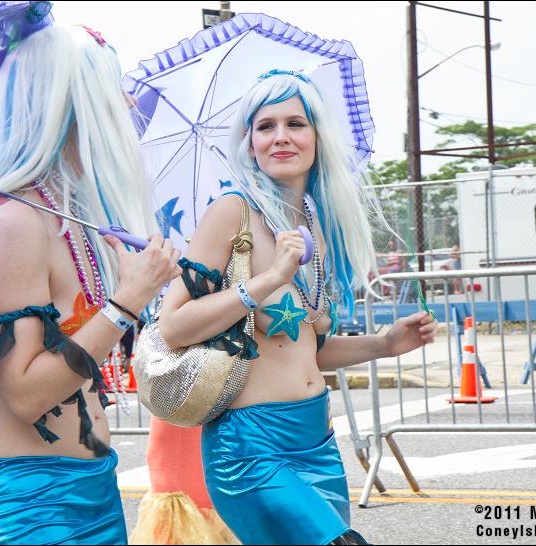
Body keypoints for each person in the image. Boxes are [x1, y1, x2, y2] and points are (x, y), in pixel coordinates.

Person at [157, 71, 438, 545]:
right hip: (251, 447)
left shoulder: (314, 223)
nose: (281, 137)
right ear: (249, 143)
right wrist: (269, 279)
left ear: (317, 137)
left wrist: (385, 345)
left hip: (317, 442)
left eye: (295, 124)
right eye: (266, 126)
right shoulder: (231, 213)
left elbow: (306, 349)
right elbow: (173, 327)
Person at [0, 24, 181, 544]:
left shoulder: (69, 217)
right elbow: (27, 396)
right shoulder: (14, 222)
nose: (128, 102)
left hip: (91, 493)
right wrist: (126, 302)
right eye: (112, 87)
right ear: (69, 102)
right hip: (24, 507)